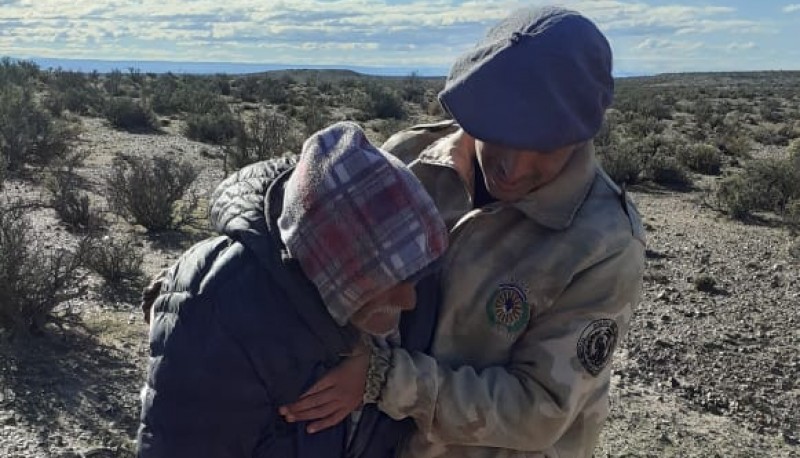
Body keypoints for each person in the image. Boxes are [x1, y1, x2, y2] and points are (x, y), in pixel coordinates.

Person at [280, 6, 646, 457]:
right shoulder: (412, 161)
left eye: (543, 149)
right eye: (501, 135)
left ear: (581, 134)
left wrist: (383, 379)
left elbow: (538, 412)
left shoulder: (604, 242)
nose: (512, 167)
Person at [136, 121, 448, 458]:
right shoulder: (220, 310)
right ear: (333, 268)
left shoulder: (412, 267)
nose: (410, 300)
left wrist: (378, 376)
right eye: (391, 283)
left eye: (414, 279)